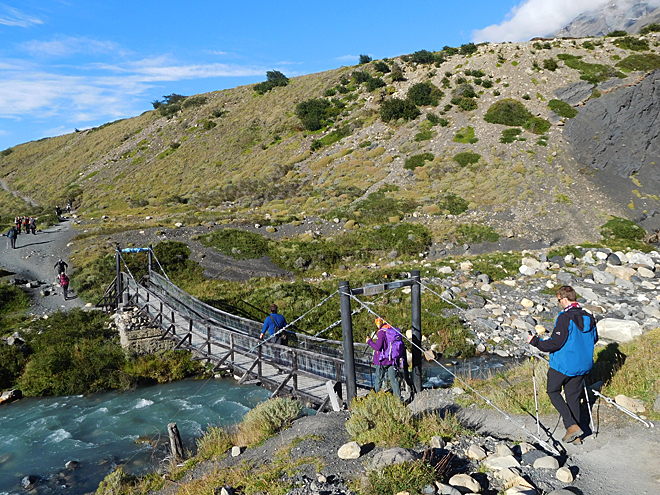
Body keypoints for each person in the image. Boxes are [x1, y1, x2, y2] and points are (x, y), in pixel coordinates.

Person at [527, 285, 598, 444]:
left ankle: (571, 425)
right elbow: (594, 339)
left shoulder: (565, 317)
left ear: (564, 299)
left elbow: (555, 344)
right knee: (573, 398)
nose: (559, 303)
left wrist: (535, 342)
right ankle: (577, 436)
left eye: (559, 300)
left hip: (564, 365)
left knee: (552, 391)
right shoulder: (589, 316)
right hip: (583, 365)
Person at [366, 317, 403, 398]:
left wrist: (369, 341)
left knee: (378, 380)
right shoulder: (393, 330)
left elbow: (378, 347)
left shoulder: (381, 332)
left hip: (382, 361)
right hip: (393, 360)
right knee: (394, 380)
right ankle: (399, 400)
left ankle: (374, 398)